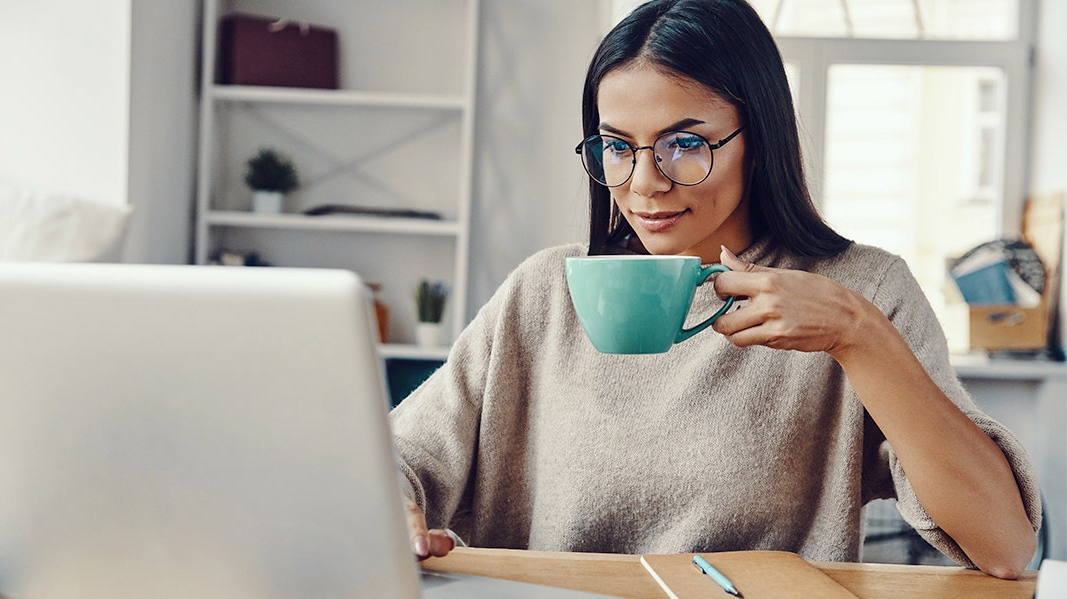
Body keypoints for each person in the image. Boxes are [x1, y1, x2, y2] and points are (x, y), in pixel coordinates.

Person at [390, 0, 1040, 579]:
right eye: (618, 146)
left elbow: (1006, 548)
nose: (644, 183)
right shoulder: (542, 294)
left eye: (684, 144)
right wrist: (395, 499)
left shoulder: (861, 289)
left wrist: (857, 333)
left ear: (758, 140)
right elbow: (396, 452)